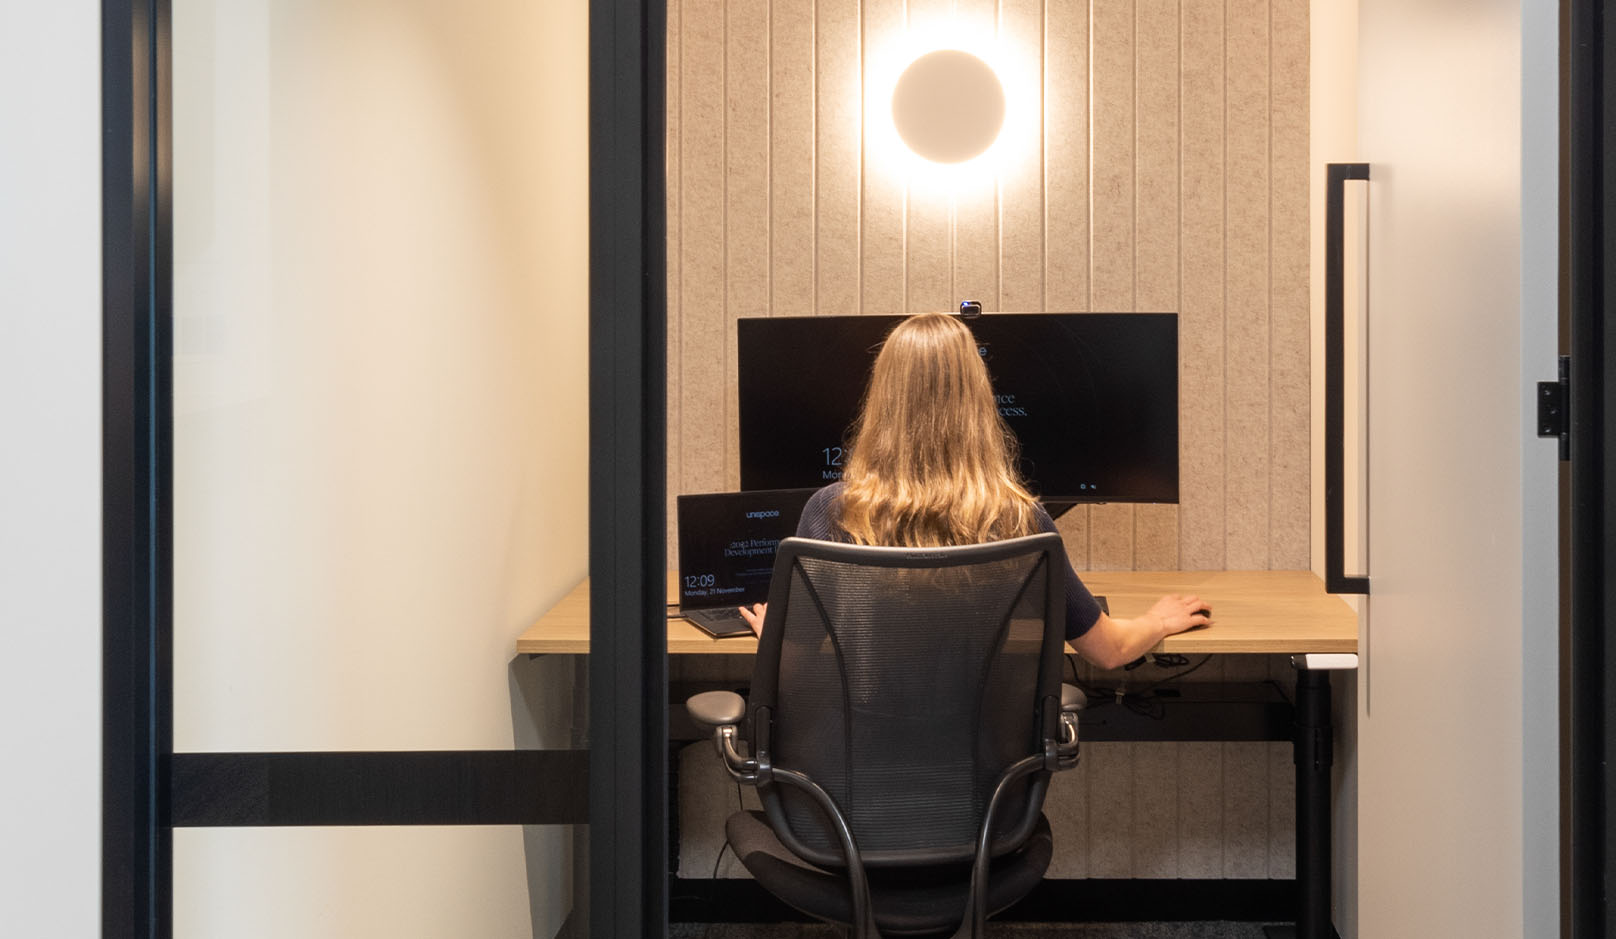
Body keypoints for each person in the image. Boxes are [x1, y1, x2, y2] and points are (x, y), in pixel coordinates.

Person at [737, 312, 1211, 669]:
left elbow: (792, 665)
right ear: (978, 401)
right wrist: (1158, 621)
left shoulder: (832, 511)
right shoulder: (1018, 519)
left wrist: (772, 636)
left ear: (880, 400)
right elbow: (1108, 652)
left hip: (853, 775)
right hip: (989, 781)